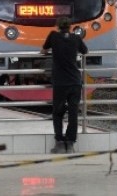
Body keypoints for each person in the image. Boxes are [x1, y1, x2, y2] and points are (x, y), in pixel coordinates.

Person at [41, 16, 88, 154]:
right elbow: (85, 51)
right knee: (73, 113)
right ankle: (70, 143)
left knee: (58, 112)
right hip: (75, 81)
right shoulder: (76, 38)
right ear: (71, 26)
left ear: (57, 26)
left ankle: (59, 143)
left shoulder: (53, 36)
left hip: (60, 82)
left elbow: (43, 50)